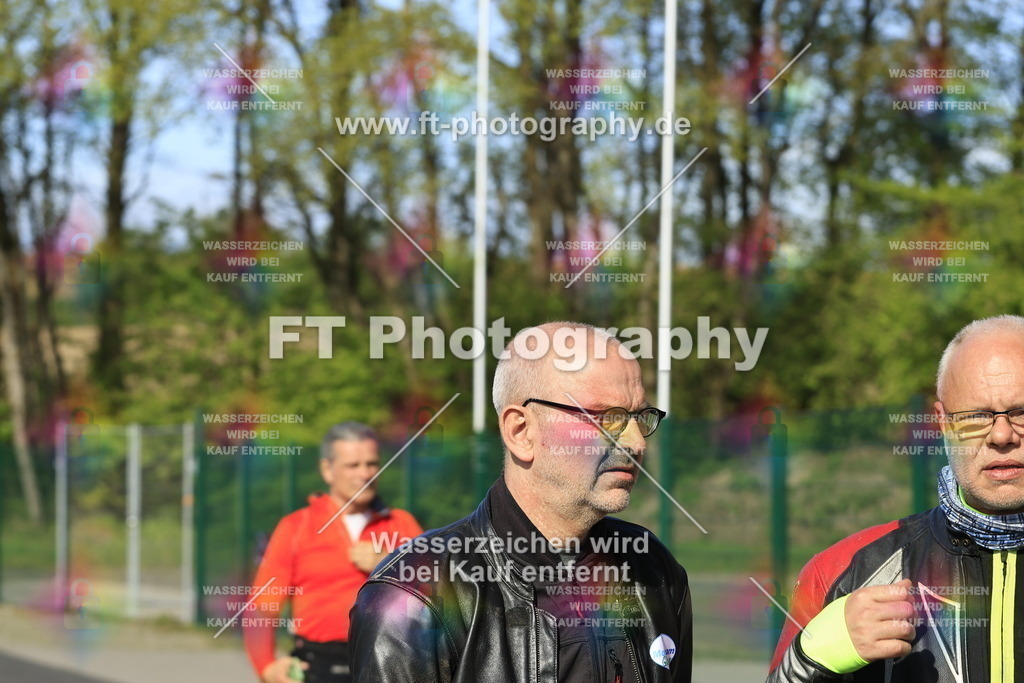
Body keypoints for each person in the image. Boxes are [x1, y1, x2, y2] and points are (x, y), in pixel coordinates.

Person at [350, 322, 693, 682]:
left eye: (640, 417)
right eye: (608, 418)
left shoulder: (655, 571)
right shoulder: (414, 599)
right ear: (521, 431)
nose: (637, 442)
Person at [768, 314, 1024, 681]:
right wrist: (808, 663)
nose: (1001, 435)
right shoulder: (847, 571)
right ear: (942, 422)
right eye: (975, 416)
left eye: (1021, 412)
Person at [243, 422, 423, 683]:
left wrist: (388, 563)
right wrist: (267, 667)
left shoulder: (401, 524)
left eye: (372, 464)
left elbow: (440, 597)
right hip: (317, 667)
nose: (365, 474)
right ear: (327, 470)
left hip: (391, 666)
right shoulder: (296, 527)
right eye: (353, 465)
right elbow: (261, 608)